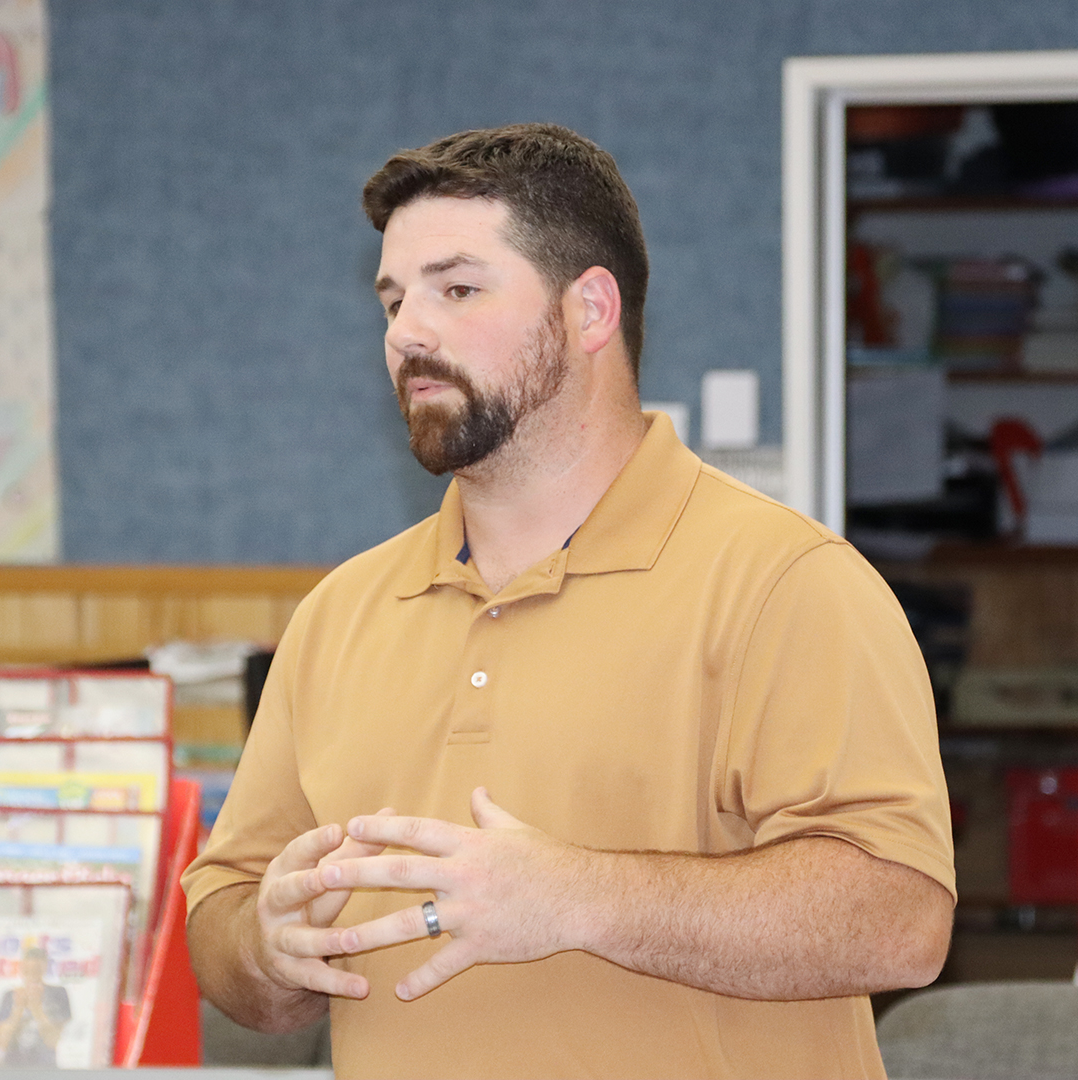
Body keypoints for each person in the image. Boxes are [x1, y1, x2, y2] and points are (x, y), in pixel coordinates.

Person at [182, 123, 955, 1079]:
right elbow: (220, 907)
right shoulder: (341, 612)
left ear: (590, 310)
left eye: (457, 289)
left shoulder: (788, 583)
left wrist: (578, 898)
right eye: (393, 299)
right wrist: (266, 947)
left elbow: (901, 919)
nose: (405, 333)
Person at [0, 946, 71, 1068]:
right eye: (28, 969)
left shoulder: (58, 994)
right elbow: (2, 1042)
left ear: (44, 967)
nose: (32, 974)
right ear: (22, 968)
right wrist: (18, 1009)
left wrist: (37, 1009)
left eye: (36, 969)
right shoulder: (11, 995)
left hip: (46, 1068)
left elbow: (53, 1040)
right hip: (12, 1068)